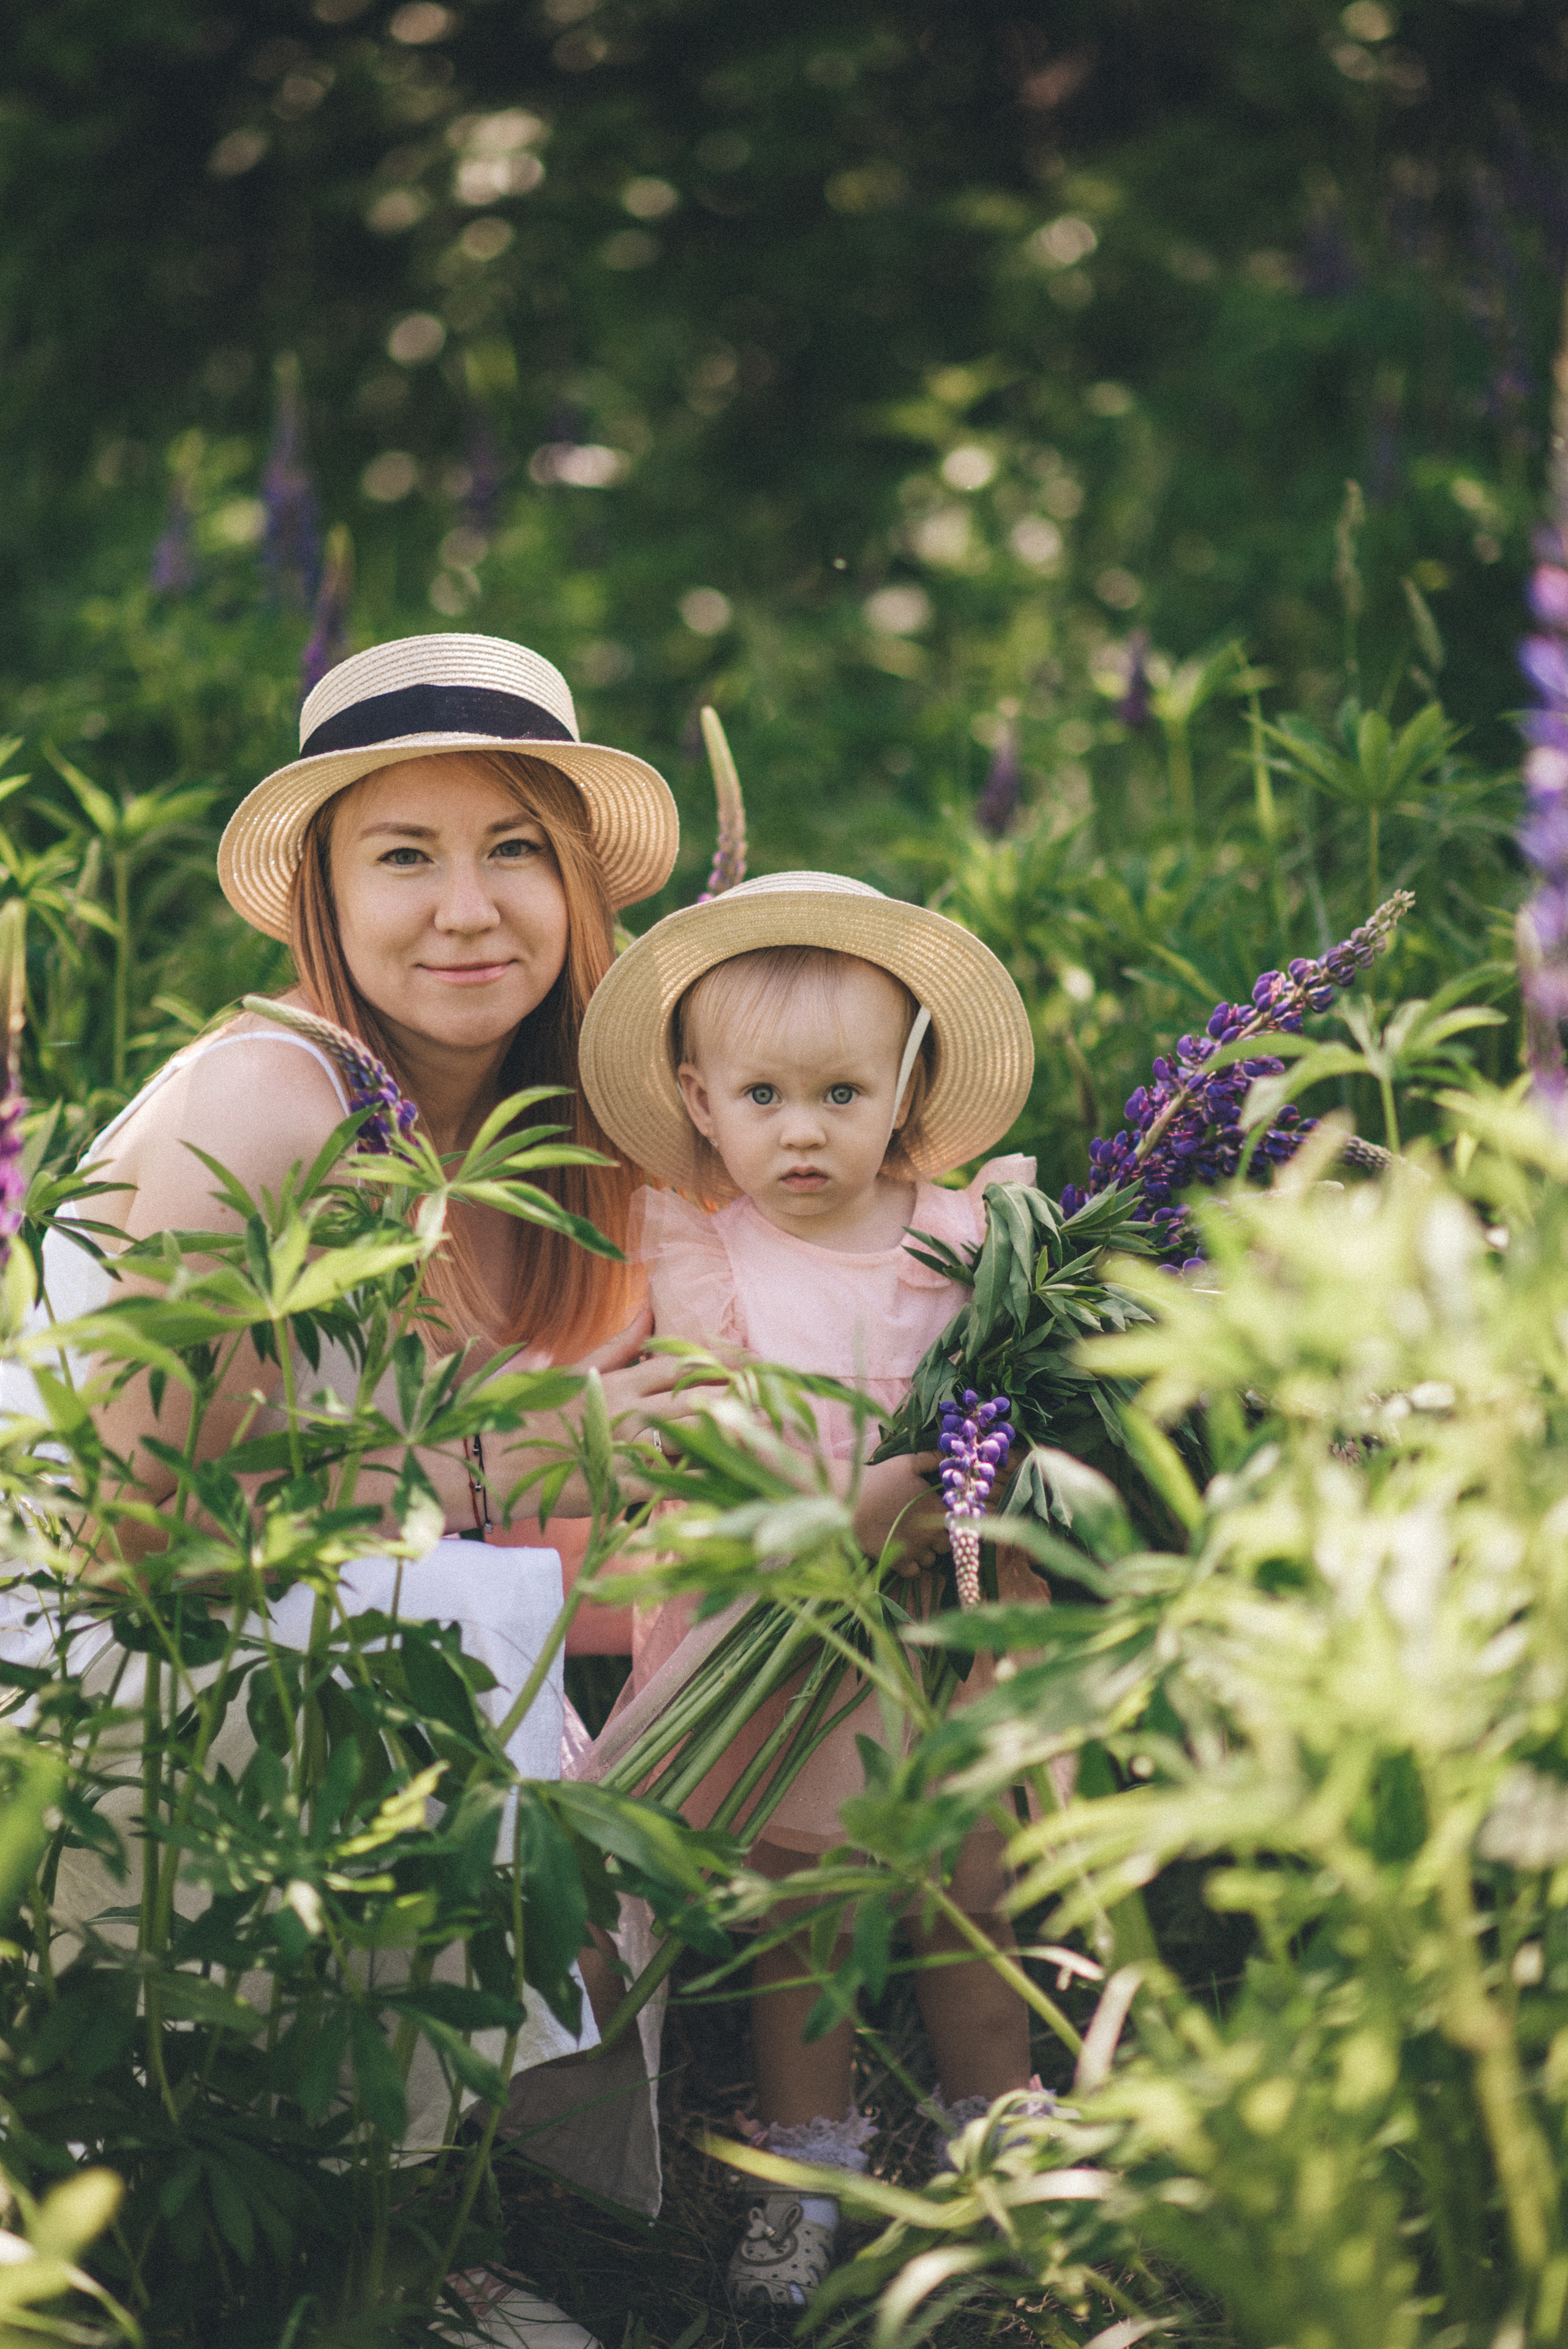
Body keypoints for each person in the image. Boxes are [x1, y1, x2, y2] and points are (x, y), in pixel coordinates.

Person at [2, 633, 695, 2348]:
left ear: (575, 888)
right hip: (79, 1682)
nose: (469, 908)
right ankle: (352, 2248)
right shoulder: (266, 1092)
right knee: (454, 1661)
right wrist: (524, 1459)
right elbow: (127, 1524)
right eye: (406, 855)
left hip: (262, 1661)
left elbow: (545, 1542)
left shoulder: (515, 1140)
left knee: (610, 1769)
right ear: (322, 894)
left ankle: (374, 2201)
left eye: (515, 849)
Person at [573, 869, 1052, 2311]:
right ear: (697, 1100)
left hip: (948, 1624)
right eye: (763, 1095)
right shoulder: (702, 1255)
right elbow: (709, 1463)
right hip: (786, 1645)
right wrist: (853, 1513)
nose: (800, 1129)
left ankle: (1007, 2150)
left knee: (973, 1906)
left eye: (840, 1094)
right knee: (813, 1935)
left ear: (903, 1092)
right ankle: (809, 2173)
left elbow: (1027, 1419)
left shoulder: (971, 1239)